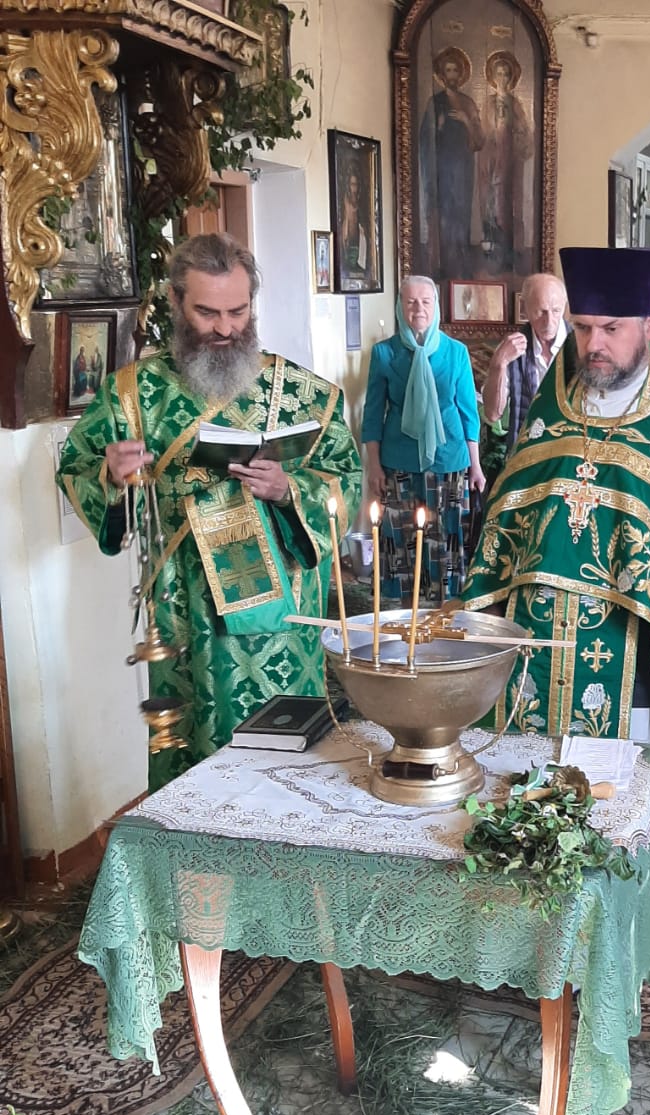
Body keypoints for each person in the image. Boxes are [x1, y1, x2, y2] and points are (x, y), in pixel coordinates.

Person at [463, 245, 650, 904]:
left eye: (612, 329)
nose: (593, 344)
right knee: (532, 795)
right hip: (539, 653)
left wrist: (640, 568)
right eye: (584, 327)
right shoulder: (553, 405)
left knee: (626, 810)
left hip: (634, 660)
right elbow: (512, 511)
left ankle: (635, 916)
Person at [57, 232, 362, 790]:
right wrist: (113, 476)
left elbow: (345, 478)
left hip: (283, 615)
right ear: (176, 302)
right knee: (195, 755)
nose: (225, 328)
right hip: (185, 610)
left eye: (238, 312)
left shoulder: (302, 393)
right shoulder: (134, 394)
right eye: (207, 312)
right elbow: (77, 468)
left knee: (290, 756)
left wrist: (289, 490)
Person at [363, 275, 484, 604]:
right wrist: (374, 467)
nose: (418, 309)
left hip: (449, 459)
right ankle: (404, 609)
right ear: (400, 307)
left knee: (445, 534)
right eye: (411, 302)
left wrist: (476, 466)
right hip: (399, 458)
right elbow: (372, 415)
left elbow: (469, 413)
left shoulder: (456, 352)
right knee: (400, 536)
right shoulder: (384, 353)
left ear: (436, 306)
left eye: (425, 302)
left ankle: (444, 607)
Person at [481, 273, 568, 462]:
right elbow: (492, 414)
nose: (549, 321)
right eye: (540, 312)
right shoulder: (512, 347)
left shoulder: (579, 346)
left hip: (569, 453)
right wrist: (499, 363)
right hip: (525, 454)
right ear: (525, 309)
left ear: (565, 305)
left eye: (556, 311)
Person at [422, 47, 484, 276]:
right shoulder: (435, 102)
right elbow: (425, 140)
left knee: (461, 211)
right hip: (443, 168)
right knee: (445, 212)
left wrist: (466, 121)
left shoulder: (467, 103)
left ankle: (462, 261)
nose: (452, 75)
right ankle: (445, 263)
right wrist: (437, 128)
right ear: (442, 74)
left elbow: (479, 140)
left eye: (455, 70)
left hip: (463, 168)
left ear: (461, 74)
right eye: (448, 70)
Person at [477, 50, 533, 273]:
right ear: (493, 77)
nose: (502, 78)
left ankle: (509, 254)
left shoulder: (515, 104)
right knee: (492, 206)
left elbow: (525, 131)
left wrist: (513, 130)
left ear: (511, 78)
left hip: (510, 162)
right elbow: (482, 133)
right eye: (498, 74)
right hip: (491, 160)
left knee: (507, 206)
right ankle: (494, 254)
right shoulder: (488, 103)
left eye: (505, 74)